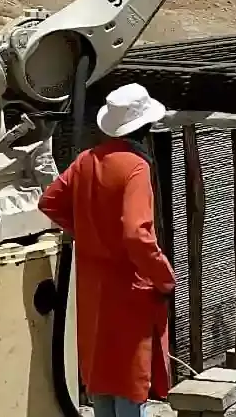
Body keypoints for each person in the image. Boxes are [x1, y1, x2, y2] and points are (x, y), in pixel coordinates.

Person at [38, 83, 177, 417]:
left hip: (93, 292)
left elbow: (50, 201)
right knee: (130, 386)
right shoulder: (135, 168)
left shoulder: (87, 160)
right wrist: (164, 276)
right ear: (144, 127)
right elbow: (135, 232)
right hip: (130, 293)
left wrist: (84, 232)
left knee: (102, 383)